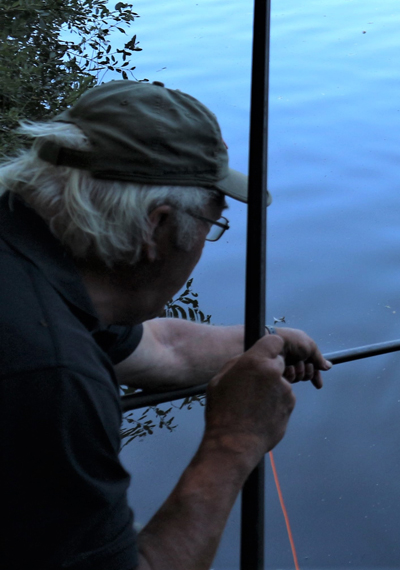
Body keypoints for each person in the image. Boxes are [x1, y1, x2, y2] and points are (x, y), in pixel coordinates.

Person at [0, 80, 330, 570]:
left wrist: (263, 344)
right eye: (212, 224)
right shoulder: (51, 375)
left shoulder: (35, 254)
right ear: (157, 225)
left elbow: (161, 348)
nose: (203, 243)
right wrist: (234, 441)